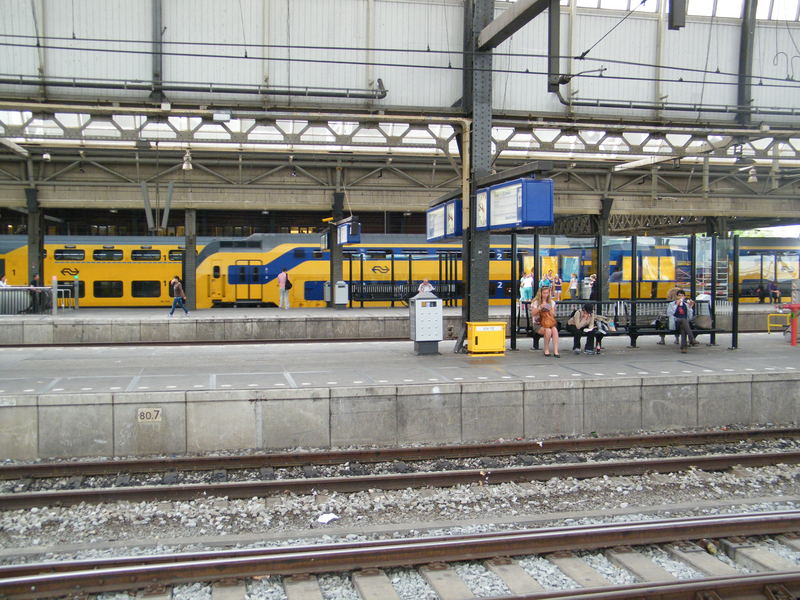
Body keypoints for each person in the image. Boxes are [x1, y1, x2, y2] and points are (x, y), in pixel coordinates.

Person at [531, 284, 559, 358]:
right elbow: (533, 314)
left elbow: (553, 315)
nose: (546, 295)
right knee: (548, 331)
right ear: (540, 293)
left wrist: (550, 309)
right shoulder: (535, 302)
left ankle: (556, 351)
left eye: (547, 293)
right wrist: (540, 307)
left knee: (554, 330)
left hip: (548, 322)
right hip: (538, 324)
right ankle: (546, 349)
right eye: (544, 293)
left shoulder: (552, 302)